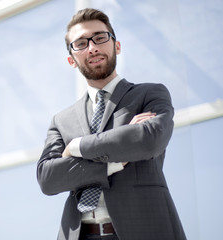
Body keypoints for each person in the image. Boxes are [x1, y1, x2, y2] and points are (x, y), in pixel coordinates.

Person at [37, 8, 186, 240]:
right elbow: (48, 178)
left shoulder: (150, 94)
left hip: (144, 230)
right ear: (71, 60)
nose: (92, 47)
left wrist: (76, 147)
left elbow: (149, 140)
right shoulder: (61, 120)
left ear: (116, 45)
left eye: (99, 37)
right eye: (81, 44)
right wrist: (113, 162)